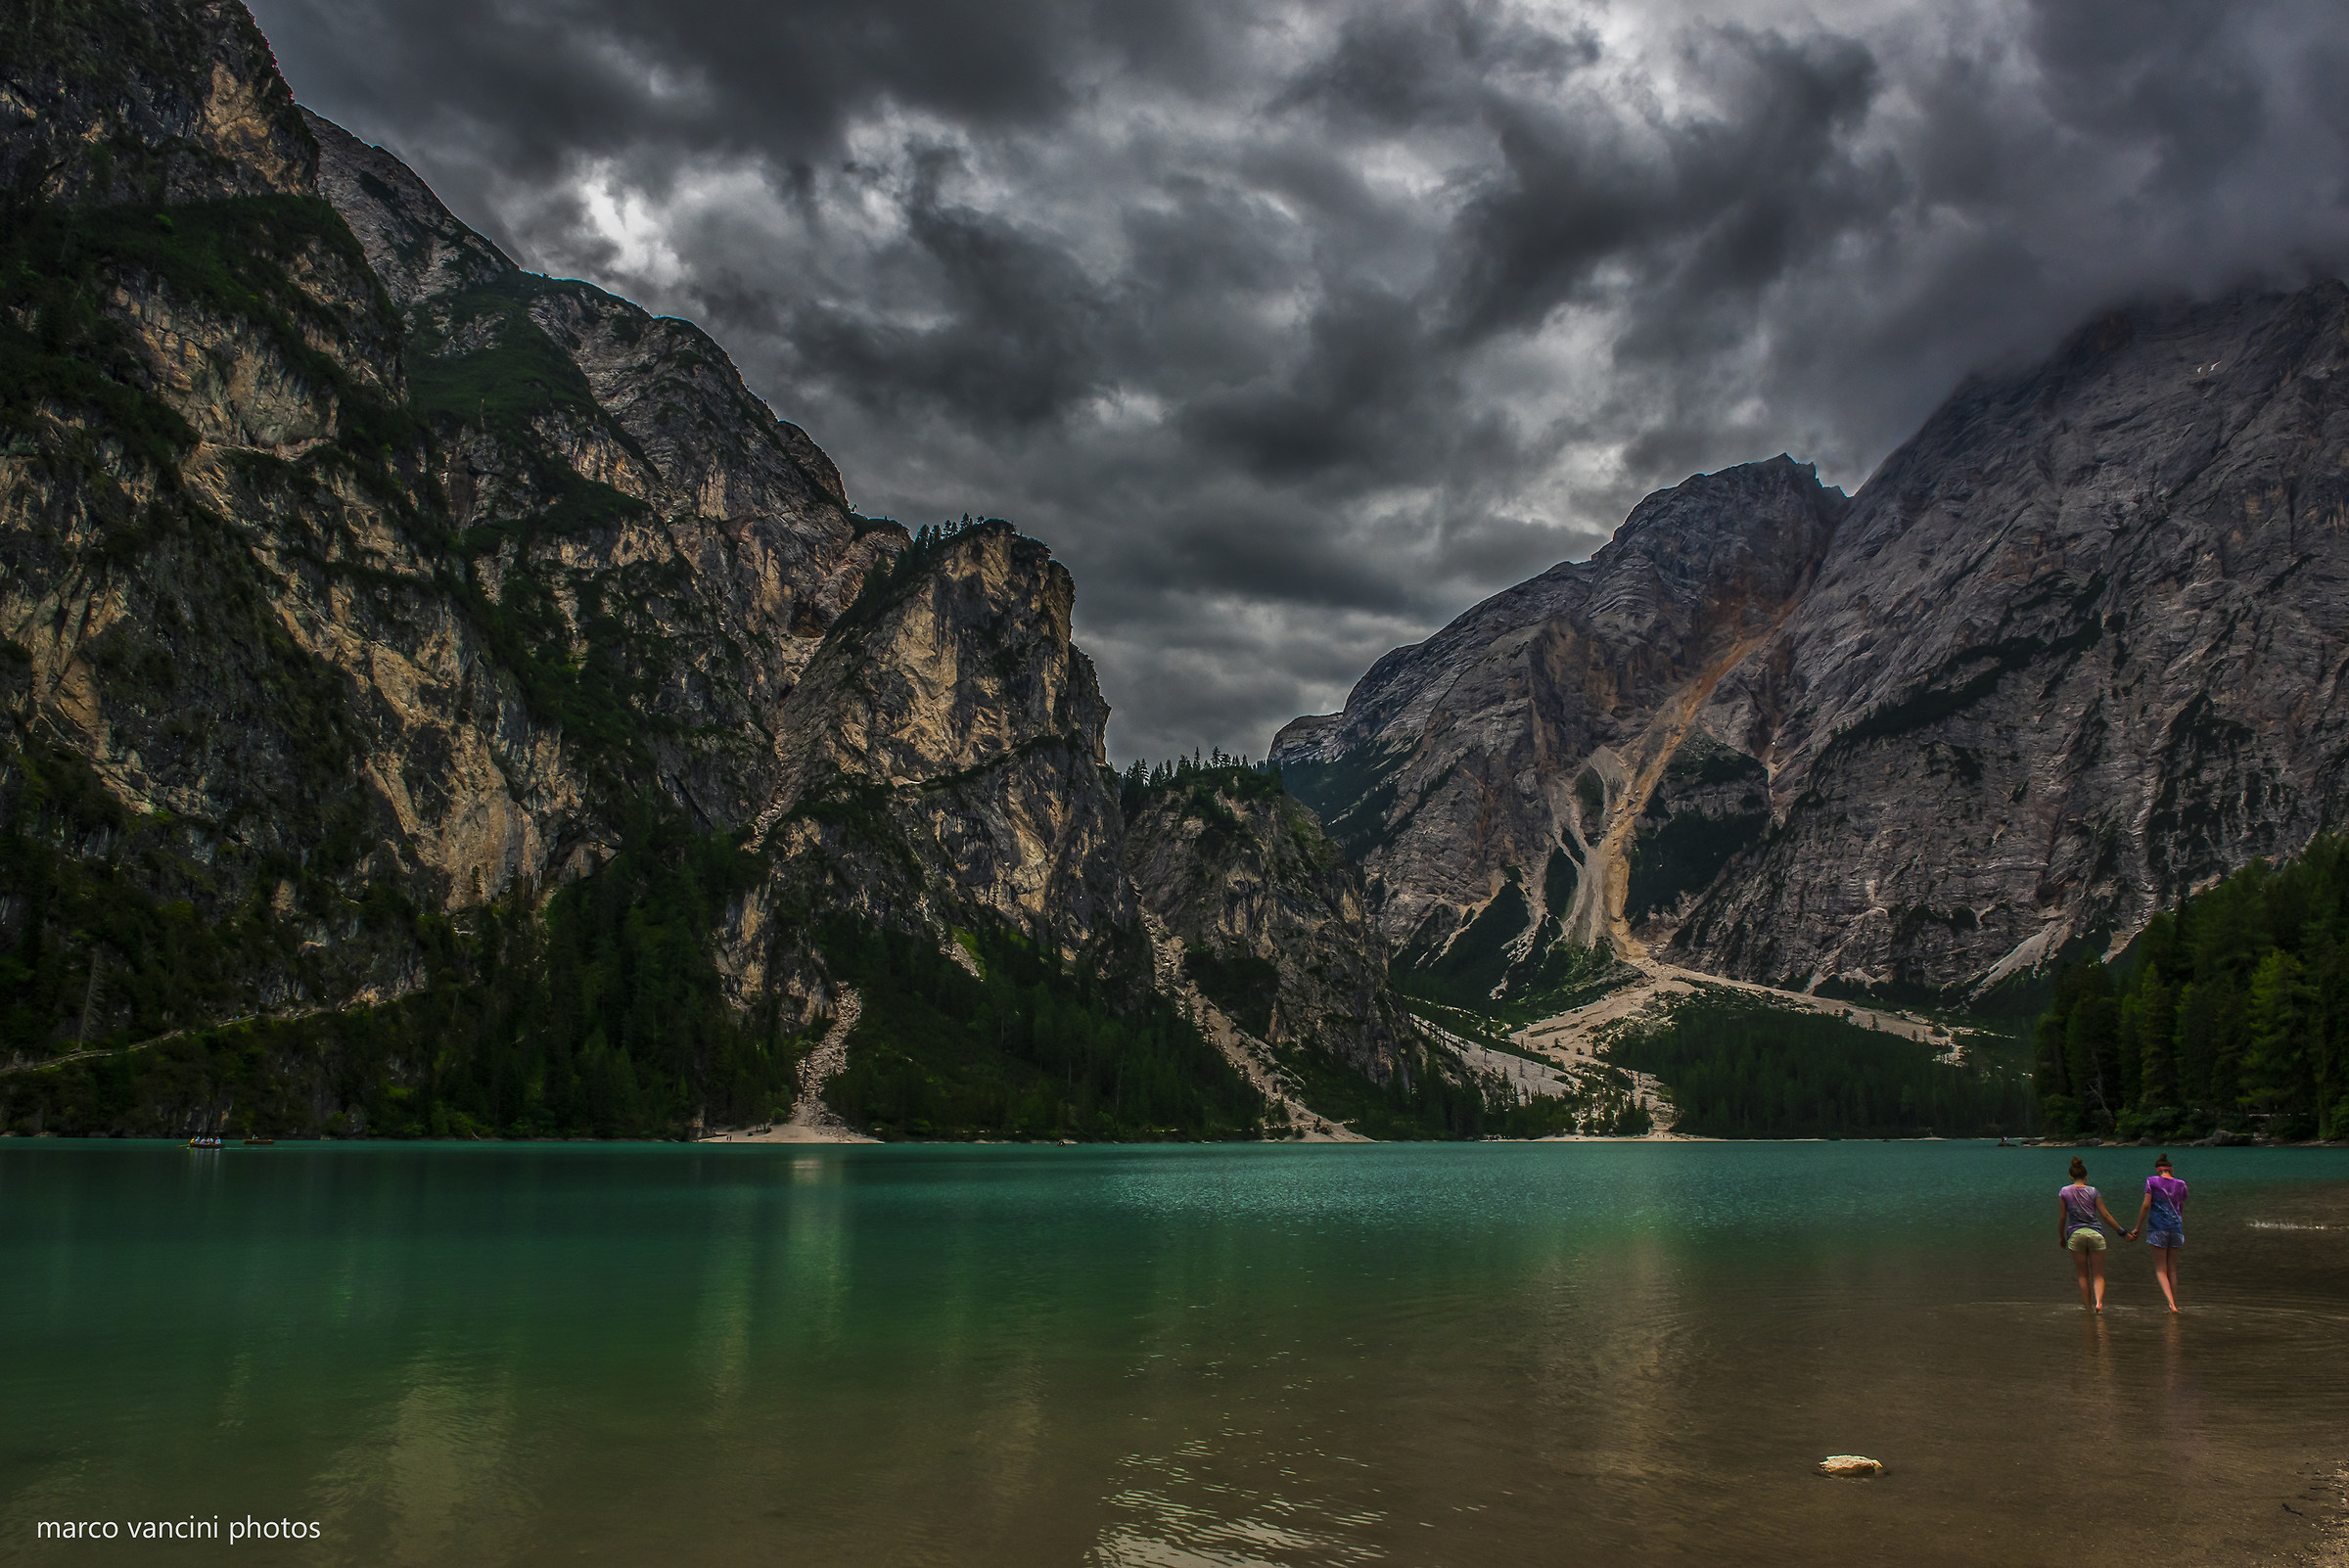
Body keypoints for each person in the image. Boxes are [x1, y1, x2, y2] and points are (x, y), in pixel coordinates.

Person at [2057, 1157, 2128, 1311]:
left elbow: (2062, 1217)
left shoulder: (2064, 1191)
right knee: (2098, 1275)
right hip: (2096, 1234)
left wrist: (2062, 1237)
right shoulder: (2093, 1191)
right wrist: (2122, 1232)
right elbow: (2106, 1216)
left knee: (2083, 1276)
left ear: (2071, 1176)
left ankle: (2087, 1308)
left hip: (2076, 1235)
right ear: (2086, 1177)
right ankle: (2099, 1304)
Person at [2124, 1154, 2188, 1313]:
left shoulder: (2152, 1181)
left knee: (2161, 1270)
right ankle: (2175, 1303)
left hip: (2158, 1228)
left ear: (2157, 1170)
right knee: (2172, 1269)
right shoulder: (2181, 1185)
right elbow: (2181, 1209)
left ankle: (2171, 1305)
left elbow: (2146, 1206)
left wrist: (2138, 1227)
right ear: (2170, 1169)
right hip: (2176, 1229)